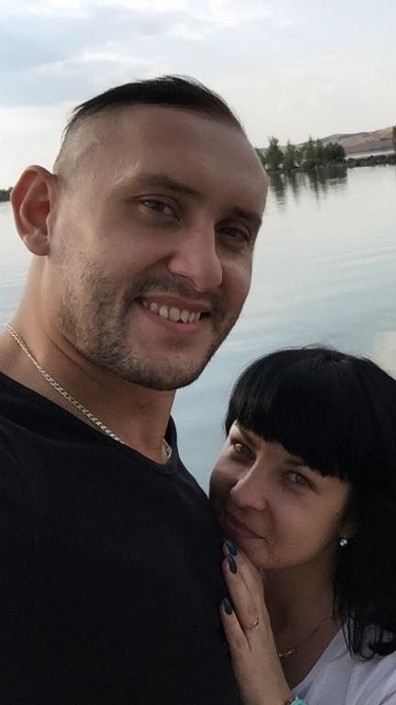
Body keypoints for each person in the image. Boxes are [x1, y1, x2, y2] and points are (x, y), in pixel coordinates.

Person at [0, 76, 268, 704]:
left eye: (233, 231)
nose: (203, 269)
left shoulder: (132, 433)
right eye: (157, 207)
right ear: (40, 213)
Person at [210, 347, 396, 705]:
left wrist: (272, 696)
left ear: (355, 515)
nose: (243, 493)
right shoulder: (185, 583)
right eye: (242, 449)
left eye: (296, 478)